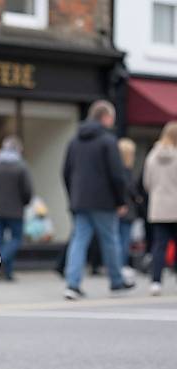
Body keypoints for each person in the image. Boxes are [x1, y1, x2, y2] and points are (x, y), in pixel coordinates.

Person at [62, 100, 133, 300]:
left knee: (79, 240)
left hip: (80, 200)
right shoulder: (108, 141)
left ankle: (72, 284)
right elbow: (117, 175)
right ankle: (116, 282)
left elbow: (65, 172)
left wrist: (73, 196)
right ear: (106, 117)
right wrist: (121, 201)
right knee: (110, 240)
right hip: (104, 201)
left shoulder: (74, 141)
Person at [0, 135, 32, 280]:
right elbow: (27, 190)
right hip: (16, 210)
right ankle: (2, 263)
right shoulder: (21, 166)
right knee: (17, 239)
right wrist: (25, 202)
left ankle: (6, 273)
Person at [143, 121, 177, 296]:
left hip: (158, 207)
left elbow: (147, 183)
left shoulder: (152, 156)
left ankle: (156, 281)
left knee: (159, 246)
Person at [117, 138, 140, 285]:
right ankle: (121, 266)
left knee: (116, 240)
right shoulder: (126, 171)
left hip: (116, 209)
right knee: (124, 240)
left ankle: (117, 267)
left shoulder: (115, 170)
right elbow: (131, 190)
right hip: (127, 210)